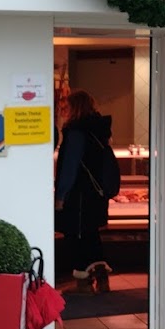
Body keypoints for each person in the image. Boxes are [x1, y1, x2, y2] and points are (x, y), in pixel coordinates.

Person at [55, 88, 114, 294]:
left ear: (75, 108)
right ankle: (102, 278)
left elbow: (70, 167)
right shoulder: (98, 130)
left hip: (78, 196)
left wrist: (61, 195)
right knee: (91, 235)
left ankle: (83, 283)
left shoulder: (76, 132)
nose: (64, 111)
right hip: (96, 194)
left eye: (66, 107)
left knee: (77, 236)